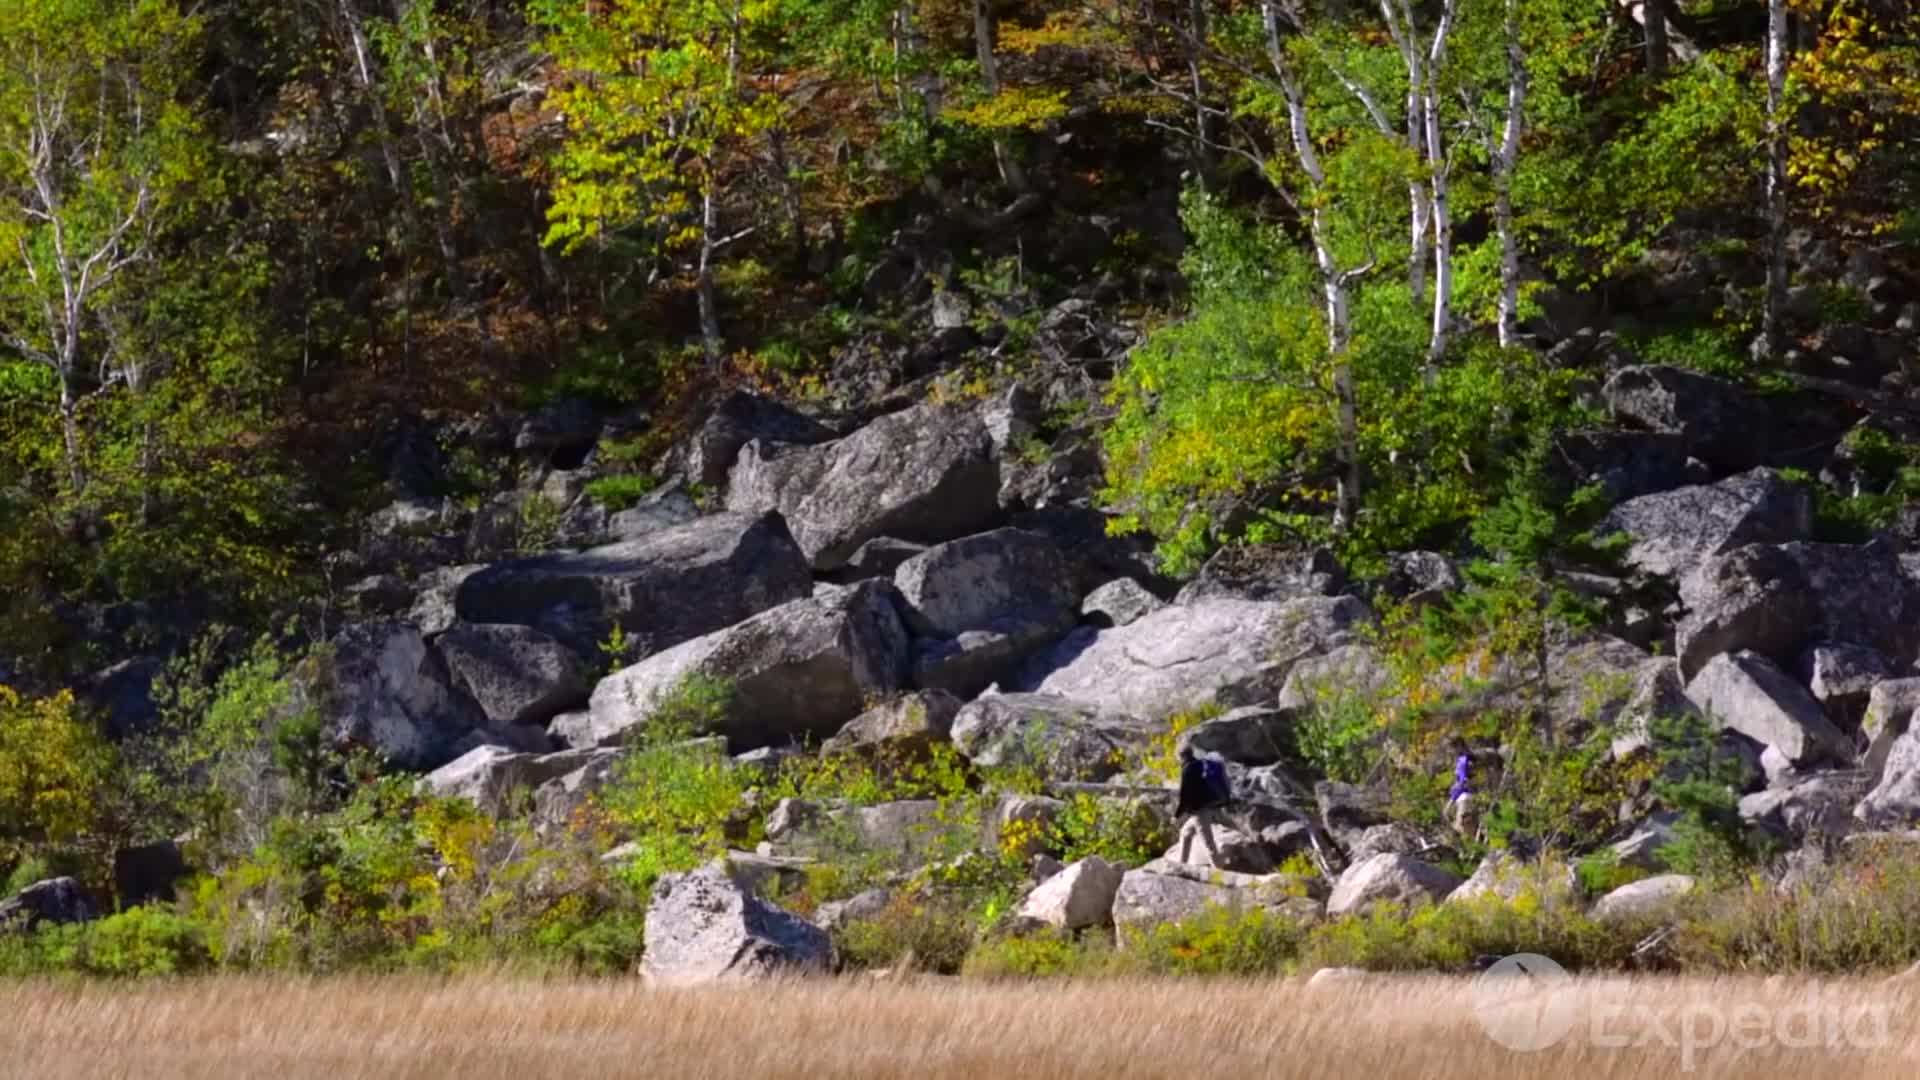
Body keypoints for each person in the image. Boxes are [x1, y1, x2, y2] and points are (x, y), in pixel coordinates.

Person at [1176, 744, 1238, 865]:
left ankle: (1219, 872)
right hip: (1209, 806)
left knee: (1208, 843)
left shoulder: (1187, 769)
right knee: (1185, 833)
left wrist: (1177, 815)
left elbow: (1184, 796)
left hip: (1200, 811)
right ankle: (1181, 865)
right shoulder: (1200, 764)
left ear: (1181, 756)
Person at [1446, 739, 1477, 838]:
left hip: (1464, 797)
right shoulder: (1462, 760)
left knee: (1462, 825)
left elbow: (1463, 782)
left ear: (1458, 746)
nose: (1450, 751)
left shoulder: (1464, 761)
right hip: (1462, 797)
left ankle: (1476, 846)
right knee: (1459, 825)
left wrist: (1452, 799)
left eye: (1452, 748)